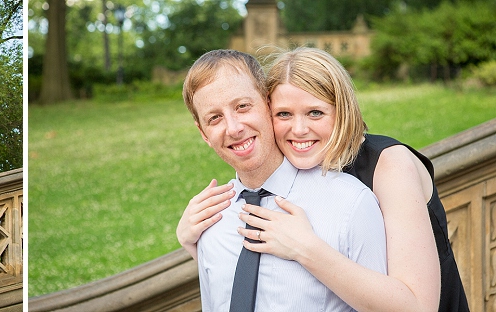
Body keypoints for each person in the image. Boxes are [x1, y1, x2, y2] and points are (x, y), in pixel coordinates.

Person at [178, 47, 470, 312]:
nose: (299, 129)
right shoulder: (271, 183)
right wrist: (195, 242)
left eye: (315, 112)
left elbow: (418, 306)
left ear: (342, 111)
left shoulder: (386, 167)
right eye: (284, 114)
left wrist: (306, 248)